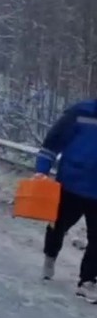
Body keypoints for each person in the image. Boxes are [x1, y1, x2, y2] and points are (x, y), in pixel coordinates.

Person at [34, 98, 97, 299]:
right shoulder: (81, 112)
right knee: (57, 225)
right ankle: (50, 257)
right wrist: (42, 170)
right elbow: (53, 141)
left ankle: (87, 281)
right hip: (71, 183)